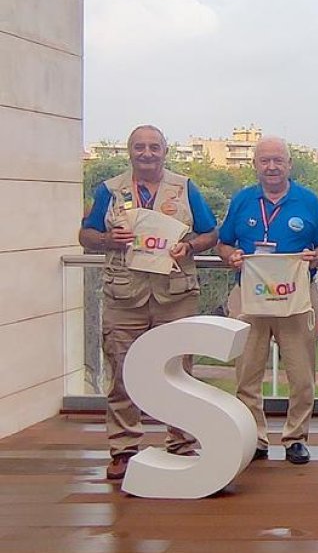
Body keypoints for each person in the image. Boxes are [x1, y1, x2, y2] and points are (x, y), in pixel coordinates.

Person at [79, 125, 219, 480]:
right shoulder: (110, 190)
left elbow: (211, 232)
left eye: (154, 147)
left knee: (179, 371)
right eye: (139, 147)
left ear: (164, 152)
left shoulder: (185, 187)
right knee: (122, 371)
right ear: (130, 151)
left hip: (175, 294)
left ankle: (181, 443)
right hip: (124, 295)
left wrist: (190, 246)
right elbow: (85, 234)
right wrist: (108, 239)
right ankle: (124, 449)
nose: (147, 153)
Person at [216, 137, 318, 465]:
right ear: (255, 164)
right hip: (249, 297)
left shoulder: (308, 201)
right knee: (247, 372)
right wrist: (230, 256)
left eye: (278, 160)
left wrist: (316, 256)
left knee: (302, 374)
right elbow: (223, 244)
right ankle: (254, 437)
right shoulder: (242, 200)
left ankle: (296, 437)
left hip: (295, 297)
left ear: (289, 164)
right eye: (265, 161)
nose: (271, 167)